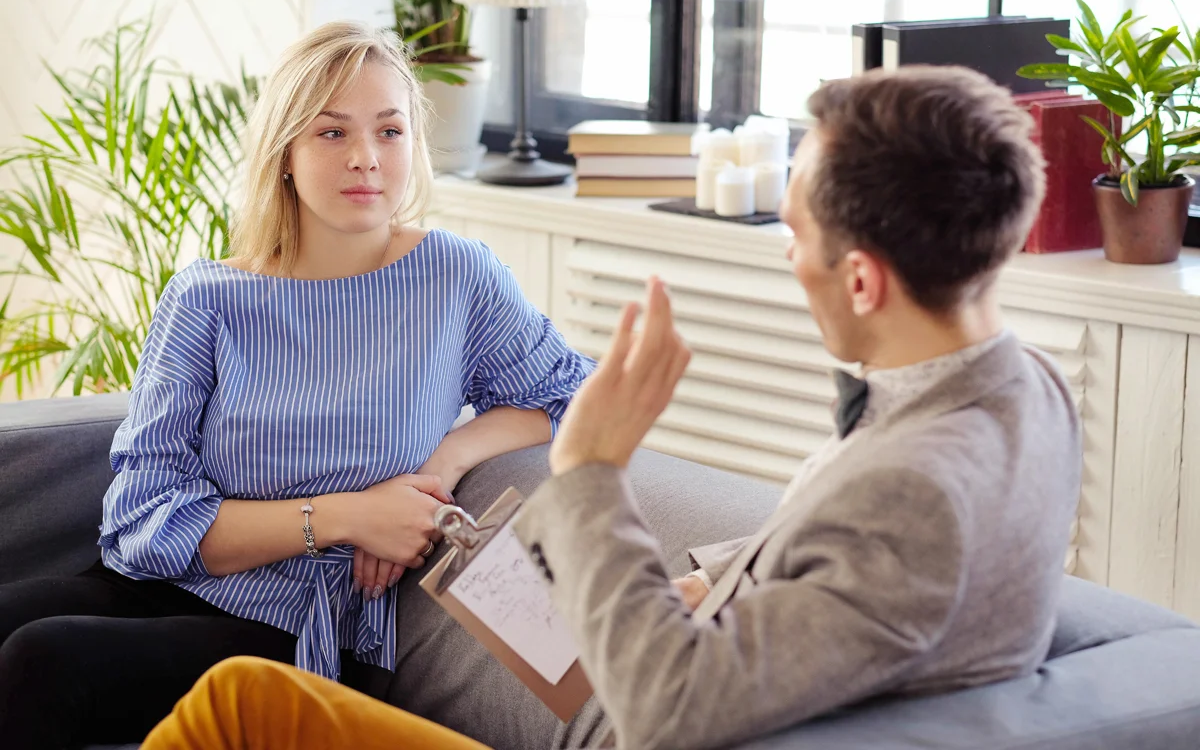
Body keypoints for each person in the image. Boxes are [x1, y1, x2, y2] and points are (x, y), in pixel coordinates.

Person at [141, 64, 1081, 750]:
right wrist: (712, 584)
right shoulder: (1025, 391)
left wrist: (591, 468)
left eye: (795, 234)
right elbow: (847, 593)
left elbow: (665, 705)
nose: (787, 258)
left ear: (865, 280)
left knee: (236, 700)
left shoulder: (912, 495)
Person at [0, 21, 594, 749]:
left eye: (390, 131)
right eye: (332, 133)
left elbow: (572, 397)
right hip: (157, 582)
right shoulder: (207, 299)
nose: (368, 160)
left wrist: (437, 466)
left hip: (297, 629)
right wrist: (348, 516)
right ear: (285, 152)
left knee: (43, 661)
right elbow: (139, 519)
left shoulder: (455, 278)